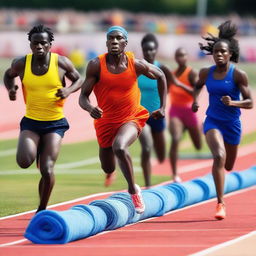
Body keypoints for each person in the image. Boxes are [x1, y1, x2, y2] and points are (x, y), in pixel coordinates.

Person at [79, 26, 167, 214]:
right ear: (106, 43)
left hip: (131, 116)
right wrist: (90, 108)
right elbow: (83, 96)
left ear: (125, 43)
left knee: (119, 146)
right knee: (108, 167)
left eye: (119, 38)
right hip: (105, 121)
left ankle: (133, 190)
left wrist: (163, 107)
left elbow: (161, 75)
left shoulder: (136, 64)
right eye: (111, 39)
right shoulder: (96, 65)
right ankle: (113, 171)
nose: (115, 42)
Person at [4, 24, 83, 213]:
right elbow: (8, 76)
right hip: (31, 122)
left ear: (50, 45)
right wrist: (11, 89)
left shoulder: (61, 62)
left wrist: (68, 90)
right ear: (30, 44)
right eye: (35, 43)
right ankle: (38, 148)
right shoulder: (21, 63)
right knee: (23, 162)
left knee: (47, 170)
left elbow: (79, 79)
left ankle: (41, 209)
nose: (39, 47)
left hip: (55, 124)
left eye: (43, 43)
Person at [192, 20, 253, 220]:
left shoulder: (238, 75)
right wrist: (194, 101)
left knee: (228, 166)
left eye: (222, 52)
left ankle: (222, 190)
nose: (218, 54)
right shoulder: (205, 72)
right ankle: (220, 203)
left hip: (232, 125)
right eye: (216, 51)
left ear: (229, 54)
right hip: (213, 121)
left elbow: (250, 102)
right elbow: (198, 85)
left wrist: (233, 103)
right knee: (219, 156)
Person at [138, 33, 178, 187]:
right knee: (146, 147)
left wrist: (162, 105)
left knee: (161, 156)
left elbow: (171, 84)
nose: (149, 53)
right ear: (142, 49)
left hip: (157, 115)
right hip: (141, 115)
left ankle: (159, 159)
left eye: (152, 50)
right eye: (146, 50)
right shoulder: (137, 68)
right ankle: (148, 185)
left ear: (156, 50)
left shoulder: (162, 69)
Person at [169, 47, 202, 183]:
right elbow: (165, 91)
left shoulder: (191, 73)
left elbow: (196, 91)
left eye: (183, 55)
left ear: (187, 57)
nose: (181, 58)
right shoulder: (172, 74)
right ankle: (175, 174)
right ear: (175, 58)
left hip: (189, 111)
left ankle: (194, 128)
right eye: (178, 56)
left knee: (198, 146)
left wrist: (180, 85)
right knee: (175, 139)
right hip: (175, 111)